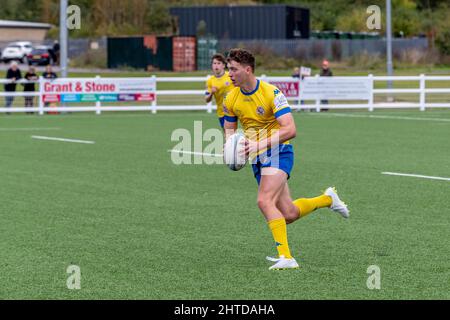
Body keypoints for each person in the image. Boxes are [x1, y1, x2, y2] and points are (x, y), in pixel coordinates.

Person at [223, 49, 349, 270]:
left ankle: (287, 257)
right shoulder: (230, 97)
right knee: (288, 213)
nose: (229, 74)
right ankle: (328, 199)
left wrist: (258, 145)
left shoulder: (272, 93)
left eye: (233, 69)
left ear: (248, 69)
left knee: (264, 201)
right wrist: (233, 149)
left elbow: (290, 129)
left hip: (278, 151)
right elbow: (229, 129)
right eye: (228, 69)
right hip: (257, 157)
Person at [205, 53, 235, 129]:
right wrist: (211, 92)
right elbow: (207, 99)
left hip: (235, 109)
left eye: (219, 63)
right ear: (212, 65)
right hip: (222, 112)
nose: (216, 65)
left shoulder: (230, 75)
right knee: (227, 135)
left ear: (223, 65)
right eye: (214, 63)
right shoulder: (210, 81)